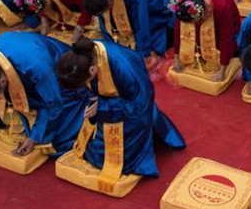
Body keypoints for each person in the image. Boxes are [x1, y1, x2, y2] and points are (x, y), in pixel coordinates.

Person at [54, 36, 185, 191]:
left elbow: (139, 103)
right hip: (106, 104)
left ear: (91, 70)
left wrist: (102, 106)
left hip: (132, 108)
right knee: (93, 151)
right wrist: (96, 103)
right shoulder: (82, 56)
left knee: (118, 160)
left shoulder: (123, 66)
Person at [0, 32, 88, 161]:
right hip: (27, 66)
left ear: (2, 81)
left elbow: (54, 104)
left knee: (59, 139)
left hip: (64, 73)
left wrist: (35, 137)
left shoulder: (37, 67)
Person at [84, 0, 174, 59]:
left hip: (157, 2)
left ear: (110, 1)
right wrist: (109, 44)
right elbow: (104, 20)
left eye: (103, 11)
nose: (102, 14)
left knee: (152, 35)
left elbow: (141, 22)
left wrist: (143, 54)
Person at [169, 0, 241, 82]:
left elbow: (226, 38)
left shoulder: (222, 5)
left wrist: (222, 70)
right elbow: (178, 30)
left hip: (224, 18)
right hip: (197, 16)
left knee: (224, 51)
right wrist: (176, 59)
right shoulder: (181, 4)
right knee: (192, 49)